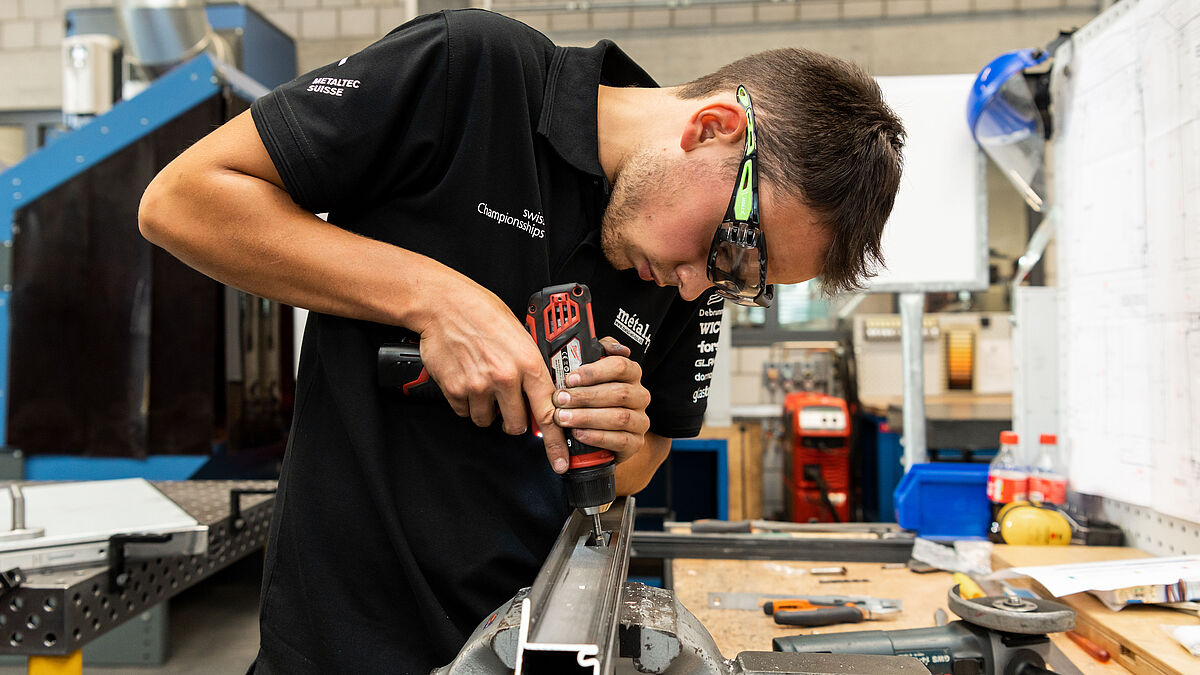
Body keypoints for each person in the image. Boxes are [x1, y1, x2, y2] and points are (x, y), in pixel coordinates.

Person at [138, 8, 903, 672]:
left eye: (746, 283)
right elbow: (181, 202)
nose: (706, 286)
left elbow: (646, 459)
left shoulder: (684, 278)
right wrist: (437, 299)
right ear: (711, 129)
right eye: (735, 251)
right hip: (339, 639)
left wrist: (622, 434)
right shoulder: (471, 72)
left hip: (529, 640)